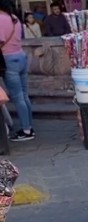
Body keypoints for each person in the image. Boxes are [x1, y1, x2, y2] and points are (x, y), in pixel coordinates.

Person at [0, 0, 34, 141]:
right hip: (21, 56)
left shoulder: (1, 19)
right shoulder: (15, 18)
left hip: (9, 59)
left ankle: (26, 131)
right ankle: (29, 127)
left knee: (18, 97)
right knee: (24, 95)